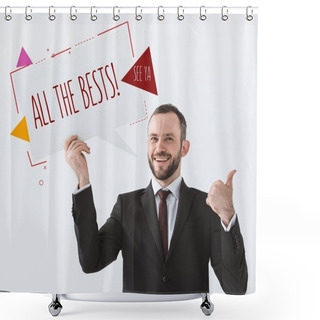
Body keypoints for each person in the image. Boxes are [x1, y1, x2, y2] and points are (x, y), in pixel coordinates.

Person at [65, 104, 248, 295]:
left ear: (184, 148)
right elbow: (91, 262)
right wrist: (83, 180)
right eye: (154, 139)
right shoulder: (125, 206)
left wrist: (227, 214)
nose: (159, 148)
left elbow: (235, 287)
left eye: (168, 138)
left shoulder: (207, 207)